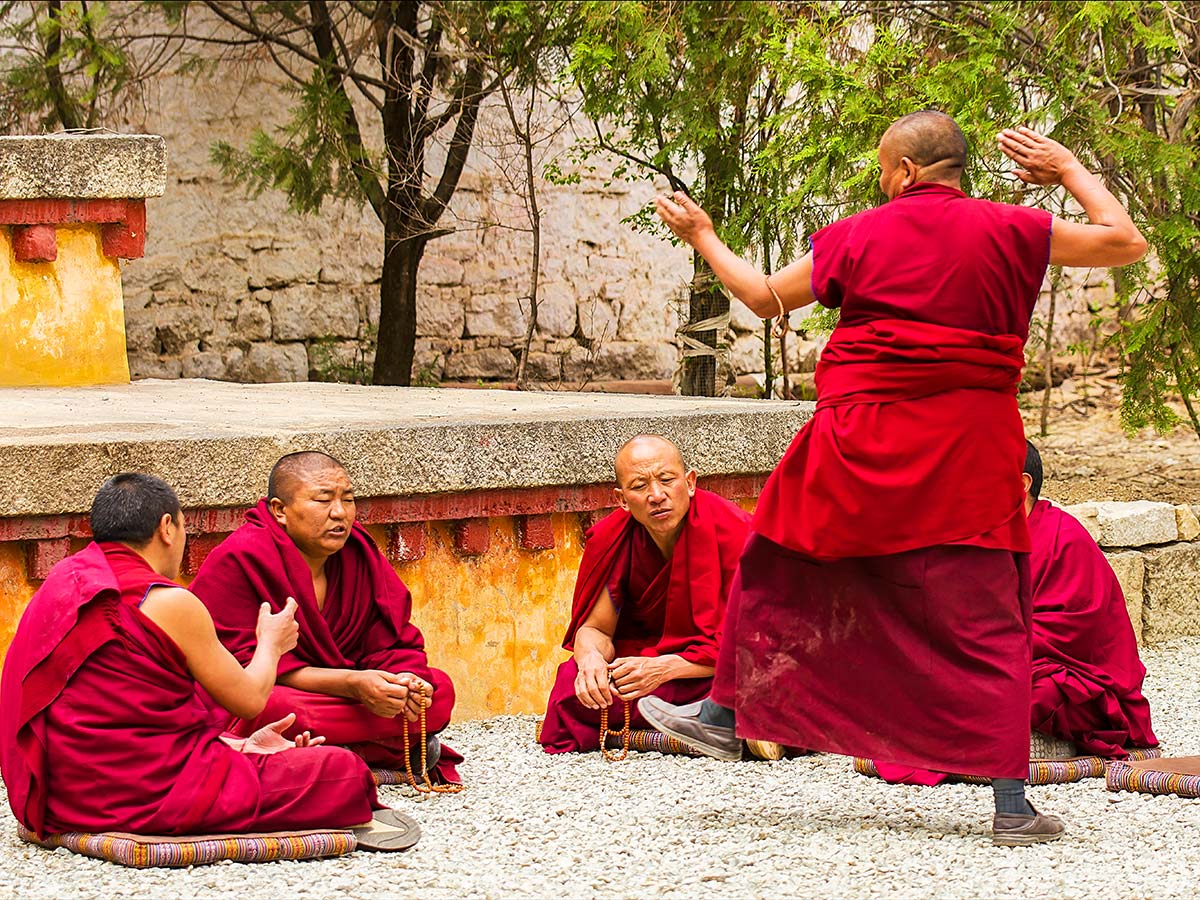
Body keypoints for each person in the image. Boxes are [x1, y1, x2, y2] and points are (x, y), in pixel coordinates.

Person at [638, 113, 1147, 846]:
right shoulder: (1015, 228)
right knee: (988, 619)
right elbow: (1124, 240)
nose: (882, 181)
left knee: (774, 560)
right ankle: (1011, 807)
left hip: (858, 446)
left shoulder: (857, 234)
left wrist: (703, 237)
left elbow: (763, 298)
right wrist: (1068, 167)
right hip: (969, 454)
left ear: (906, 172)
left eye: (884, 168)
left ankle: (721, 715)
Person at [0, 473, 393, 841]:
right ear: (167, 527)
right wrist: (271, 643)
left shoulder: (67, 579)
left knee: (269, 745)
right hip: (143, 796)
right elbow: (250, 699)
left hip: (60, 793)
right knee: (342, 772)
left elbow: (136, 716)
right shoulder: (168, 601)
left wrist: (237, 745)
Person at [871, 441, 1159, 785]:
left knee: (1034, 692)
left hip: (1058, 671)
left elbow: (1070, 633)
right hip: (988, 660)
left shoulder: (1065, 538)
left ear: (1020, 485)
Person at [190, 451, 461, 783]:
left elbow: (391, 638)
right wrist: (351, 685)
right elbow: (233, 671)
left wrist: (402, 679)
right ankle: (370, 752)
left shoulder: (359, 553)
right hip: (279, 693)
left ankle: (325, 755)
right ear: (280, 511)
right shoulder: (241, 558)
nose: (340, 513)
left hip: (346, 694)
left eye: (347, 500)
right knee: (274, 709)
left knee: (437, 691)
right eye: (323, 500)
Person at [538, 435, 751, 754]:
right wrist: (591, 661)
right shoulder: (615, 538)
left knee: (761, 682)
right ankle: (713, 726)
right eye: (639, 486)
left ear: (690, 482)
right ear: (622, 499)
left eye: (667, 480)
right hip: (662, 667)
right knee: (573, 684)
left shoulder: (736, 530)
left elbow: (766, 639)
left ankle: (707, 720)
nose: (656, 495)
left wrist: (666, 668)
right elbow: (596, 629)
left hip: (714, 667)